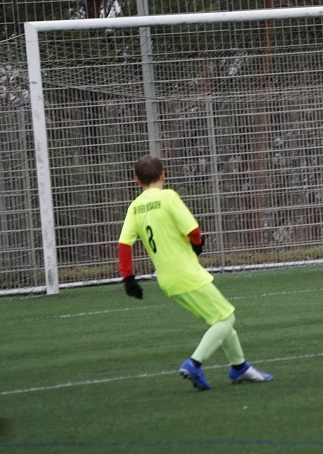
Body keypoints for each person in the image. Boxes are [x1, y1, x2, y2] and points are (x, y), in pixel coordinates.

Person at [117, 155, 273, 391]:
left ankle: (239, 367)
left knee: (219, 319)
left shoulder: (135, 207)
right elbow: (193, 230)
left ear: (137, 181)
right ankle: (194, 363)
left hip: (167, 279)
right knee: (226, 318)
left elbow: (124, 244)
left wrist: (128, 278)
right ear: (163, 174)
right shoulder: (168, 197)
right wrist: (198, 245)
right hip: (186, 272)